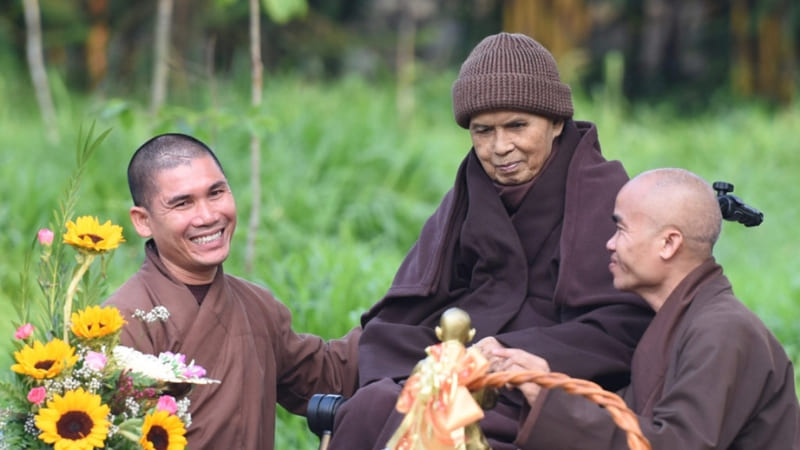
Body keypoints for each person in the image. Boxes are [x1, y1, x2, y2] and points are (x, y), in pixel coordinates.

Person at [326, 32, 653, 450]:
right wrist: (446, 359)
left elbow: (624, 326)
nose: (500, 148)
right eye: (483, 131)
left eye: (517, 125)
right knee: (372, 405)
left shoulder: (604, 193)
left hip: (540, 386)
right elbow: (410, 310)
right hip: (460, 363)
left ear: (556, 123)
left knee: (438, 427)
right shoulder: (470, 190)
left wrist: (508, 354)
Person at [493, 168, 800, 449]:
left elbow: (677, 445)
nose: (610, 244)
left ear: (668, 243)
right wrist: (545, 386)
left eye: (621, 229)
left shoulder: (723, 330)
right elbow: (629, 421)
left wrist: (552, 401)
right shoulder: (682, 318)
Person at [103, 133, 360, 449]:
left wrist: (413, 314)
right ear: (143, 221)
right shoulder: (117, 324)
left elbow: (328, 376)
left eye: (216, 193)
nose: (209, 216)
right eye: (183, 203)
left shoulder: (256, 306)